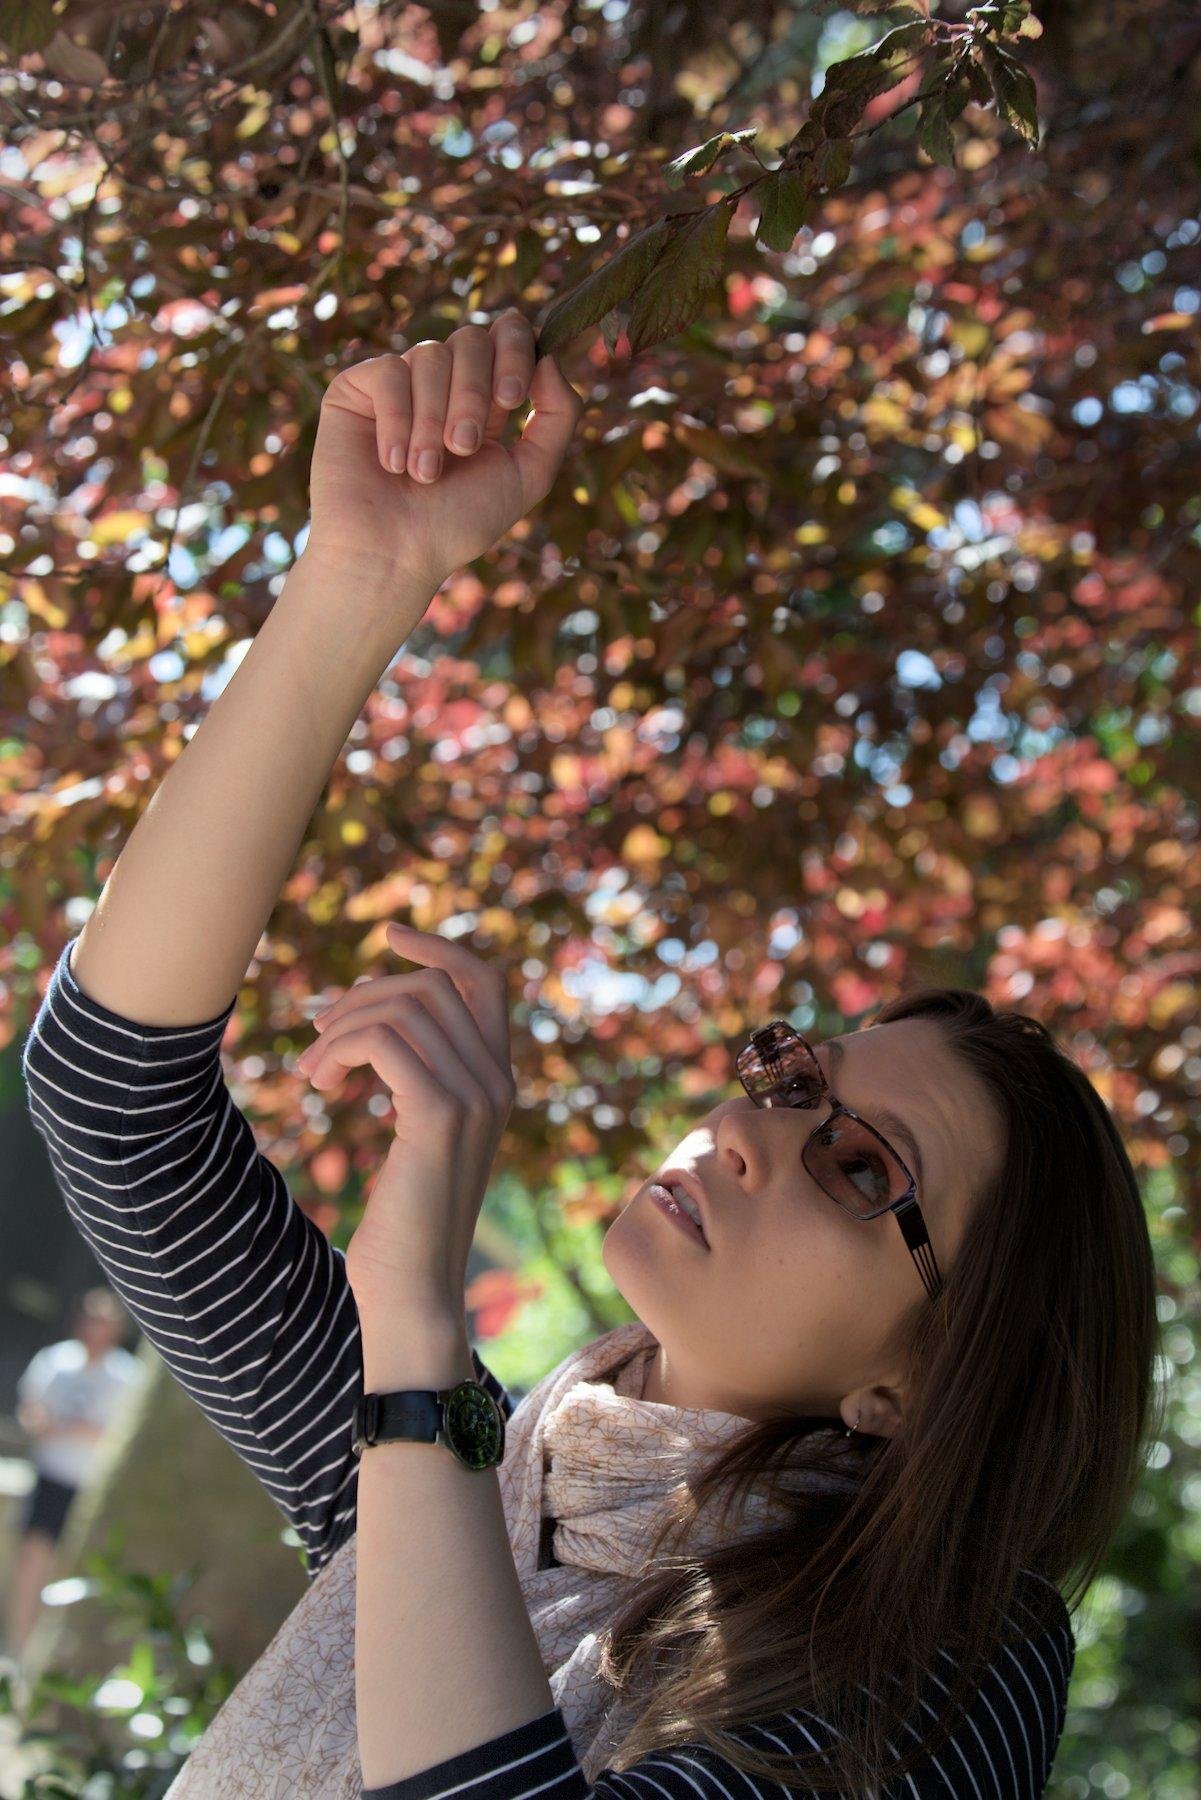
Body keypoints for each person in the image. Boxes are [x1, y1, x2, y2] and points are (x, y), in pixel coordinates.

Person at [19, 312, 1161, 1797]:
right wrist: (363, 576)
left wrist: (415, 1346)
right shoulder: (490, 1487)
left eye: (860, 1163)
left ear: (928, 1383)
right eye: (792, 1076)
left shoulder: (956, 1665)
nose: (749, 1130)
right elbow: (115, 1102)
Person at [6, 1289, 145, 1662]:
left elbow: (114, 1433)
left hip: (89, 1486)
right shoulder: (55, 1360)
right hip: (50, 1475)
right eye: (91, 1318)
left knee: (71, 1570)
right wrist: (44, 1423)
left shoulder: (126, 1375)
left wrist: (68, 1428)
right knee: (32, 1561)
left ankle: (49, 1660)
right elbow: (30, 1410)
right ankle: (19, 1651)